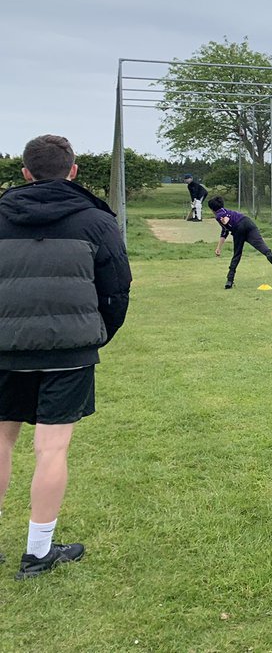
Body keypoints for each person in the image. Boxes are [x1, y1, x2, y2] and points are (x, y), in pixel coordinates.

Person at [0, 134, 131, 579]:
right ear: (72, 171)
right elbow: (117, 287)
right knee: (51, 448)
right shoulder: (96, 220)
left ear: (25, 173)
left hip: (6, 347)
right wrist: (94, 335)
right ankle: (37, 552)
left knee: (1, 441)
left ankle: (37, 549)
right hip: (69, 351)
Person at [209, 195, 272, 289]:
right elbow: (225, 231)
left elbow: (224, 217)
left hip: (238, 228)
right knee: (259, 244)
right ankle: (269, 254)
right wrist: (219, 247)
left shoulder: (220, 213)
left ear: (212, 209)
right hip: (248, 222)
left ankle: (229, 280)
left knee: (237, 254)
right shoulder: (226, 212)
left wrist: (225, 221)